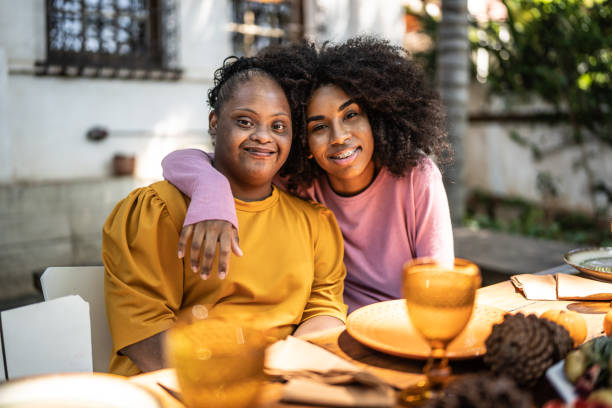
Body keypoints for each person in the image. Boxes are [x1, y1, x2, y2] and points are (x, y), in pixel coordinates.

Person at [162, 36, 454, 313]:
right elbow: (181, 161)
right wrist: (211, 191)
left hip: (407, 324)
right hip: (330, 329)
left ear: (376, 117)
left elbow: (439, 285)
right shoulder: (299, 181)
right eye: (319, 127)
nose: (339, 137)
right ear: (304, 141)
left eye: (351, 115)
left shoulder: (416, 176)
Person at [102, 56, 347, 376]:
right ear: (215, 123)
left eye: (279, 126)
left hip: (282, 381)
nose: (263, 136)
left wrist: (286, 372)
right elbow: (145, 334)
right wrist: (240, 382)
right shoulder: (158, 209)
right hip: (178, 384)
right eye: (245, 121)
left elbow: (323, 310)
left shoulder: (314, 223)